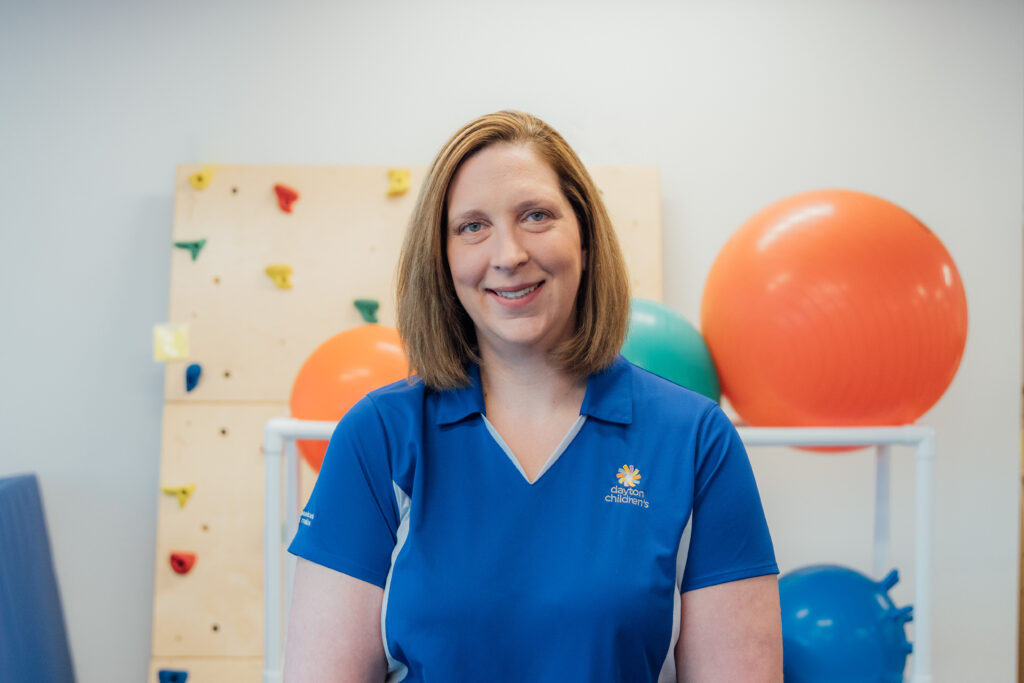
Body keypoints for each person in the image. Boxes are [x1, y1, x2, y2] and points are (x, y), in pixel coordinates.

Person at [284, 110, 782, 682]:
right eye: (472, 226)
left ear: (586, 237)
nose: (509, 253)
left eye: (536, 215)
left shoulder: (693, 439)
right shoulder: (380, 437)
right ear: (443, 261)